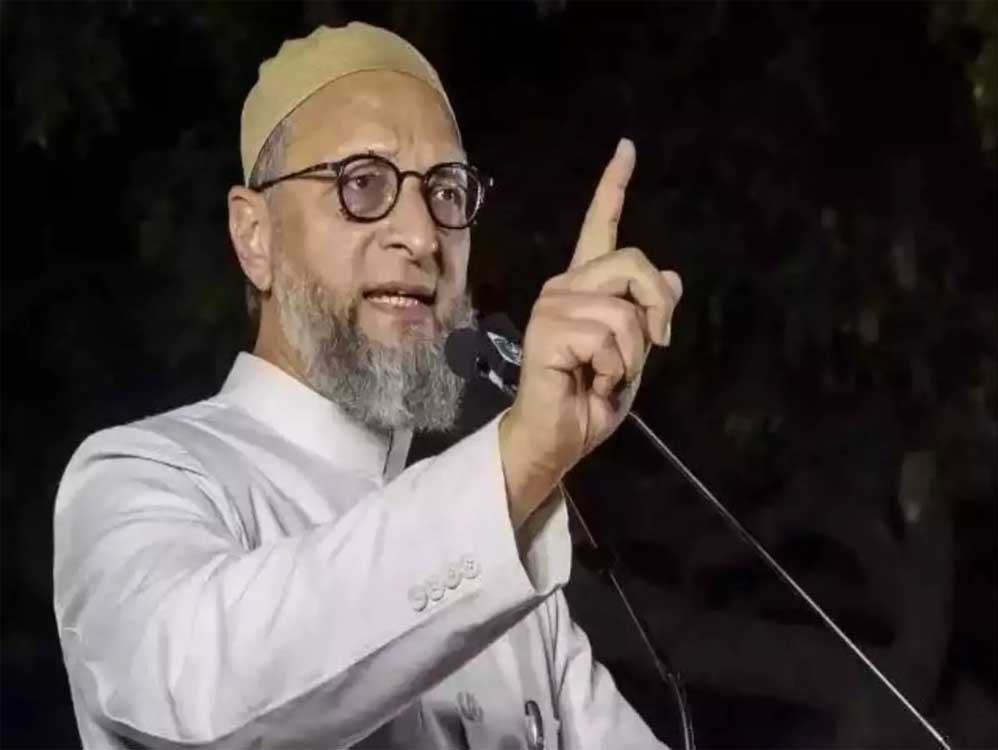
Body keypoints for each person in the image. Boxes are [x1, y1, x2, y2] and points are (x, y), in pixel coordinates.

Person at [53, 22, 683, 749]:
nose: (421, 236)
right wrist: (519, 458)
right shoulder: (144, 475)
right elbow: (193, 686)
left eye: (446, 191)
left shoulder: (517, 588)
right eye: (362, 183)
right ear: (255, 235)